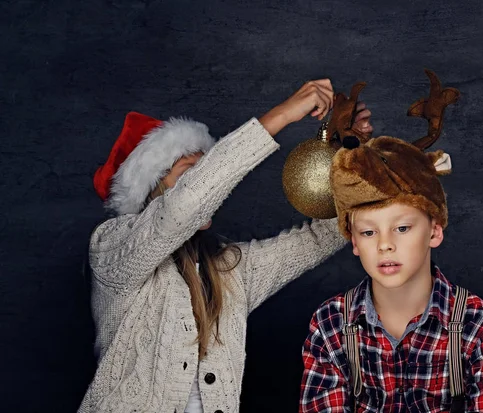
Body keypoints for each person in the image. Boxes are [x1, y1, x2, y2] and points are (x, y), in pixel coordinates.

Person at [79, 79, 373, 413]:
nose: (210, 189)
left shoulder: (229, 268)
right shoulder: (111, 246)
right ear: (151, 186)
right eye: (192, 173)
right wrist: (280, 116)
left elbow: (318, 239)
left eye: (208, 176)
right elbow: (180, 210)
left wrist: (354, 157)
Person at [299, 86, 483, 412]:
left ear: (434, 231)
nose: (385, 244)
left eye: (402, 228)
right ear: (354, 241)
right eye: (369, 232)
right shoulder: (331, 324)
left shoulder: (476, 322)